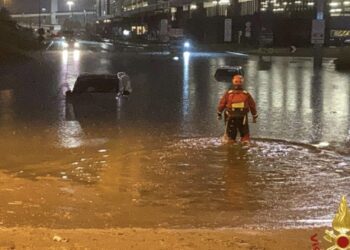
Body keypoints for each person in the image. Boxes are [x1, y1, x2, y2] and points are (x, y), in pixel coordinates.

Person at [217, 75, 258, 143]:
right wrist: (254, 116)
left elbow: (222, 104)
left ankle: (231, 147)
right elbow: (252, 106)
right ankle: (245, 146)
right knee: (245, 136)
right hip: (243, 117)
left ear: (233, 82)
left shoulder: (228, 94)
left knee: (230, 137)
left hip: (230, 116)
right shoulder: (246, 94)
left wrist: (219, 113)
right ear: (242, 82)